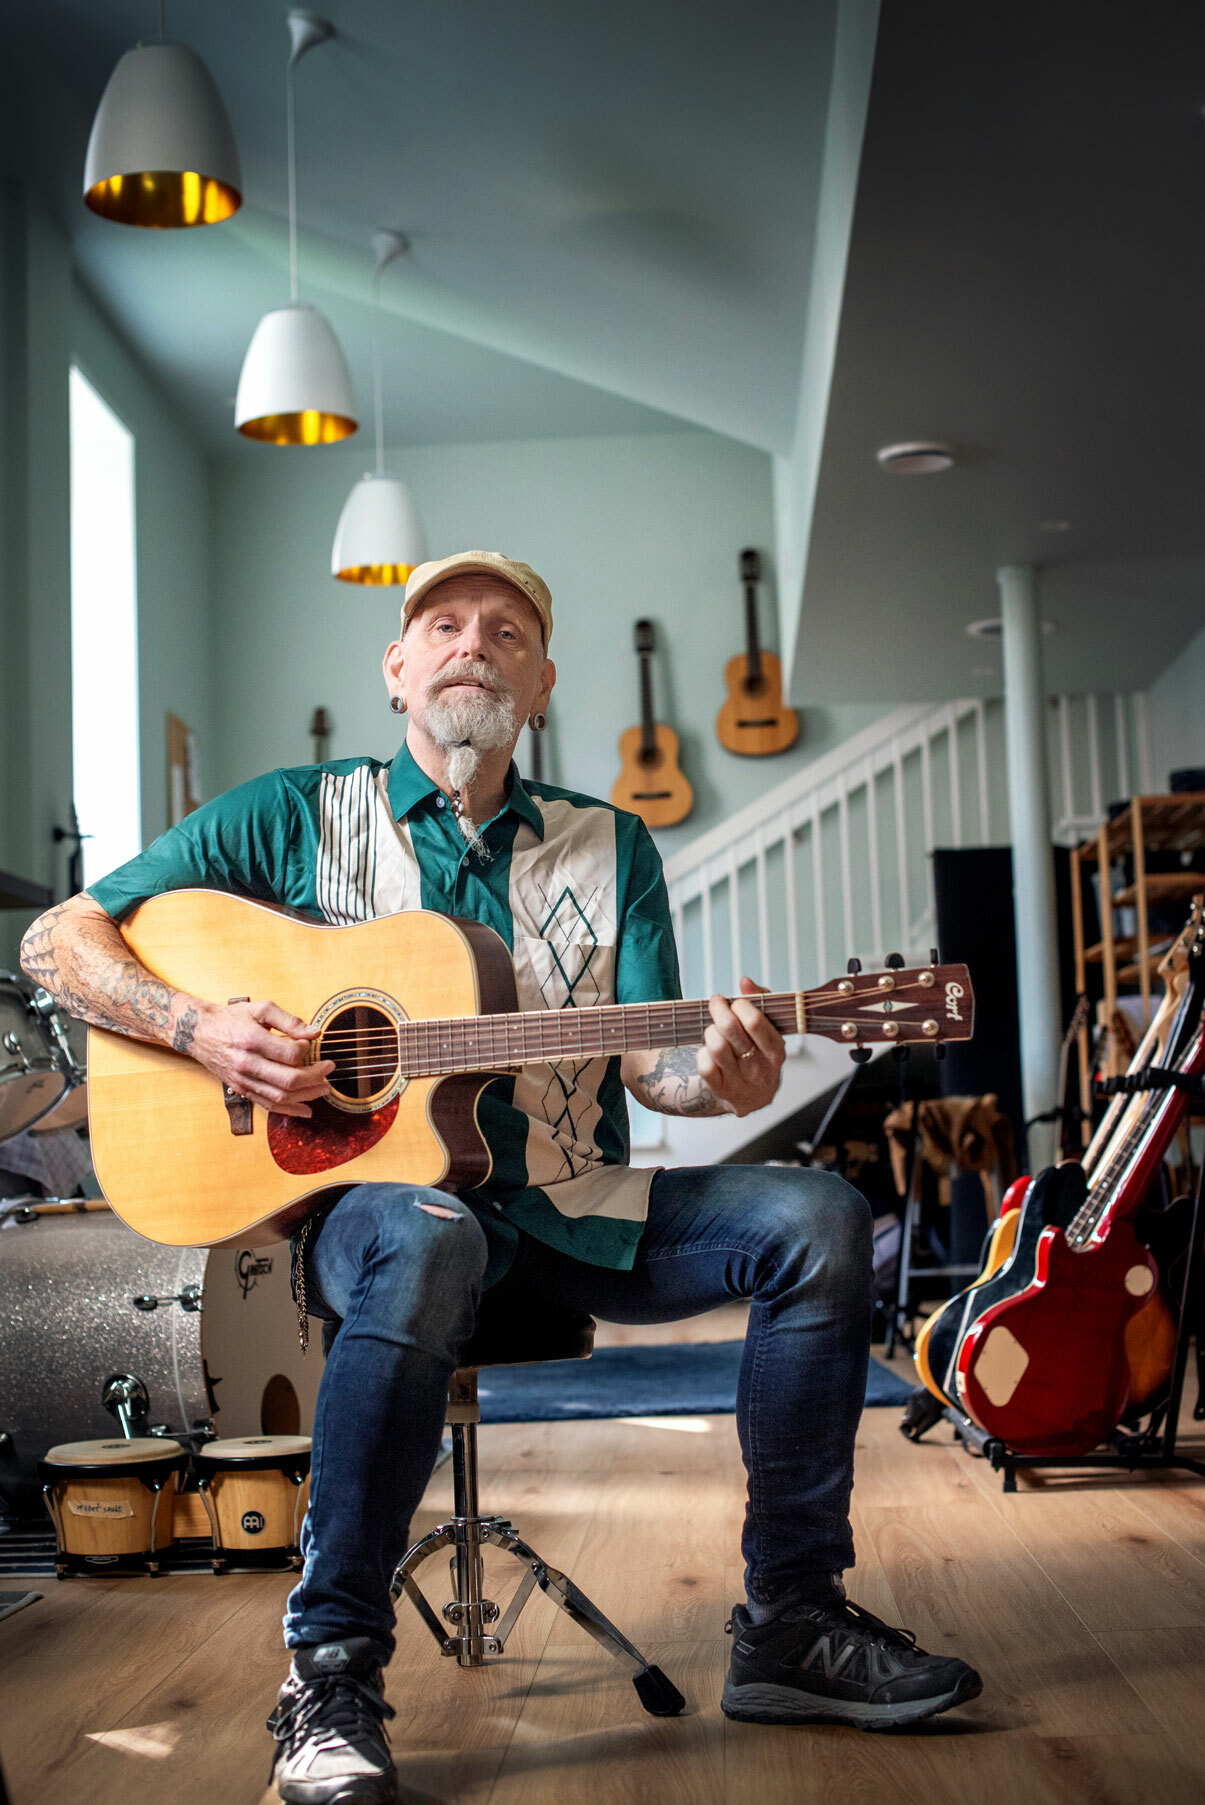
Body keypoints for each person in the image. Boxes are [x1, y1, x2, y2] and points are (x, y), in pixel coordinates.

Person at [21, 550, 980, 1803]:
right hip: (374, 1214)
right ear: (398, 668)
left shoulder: (609, 843)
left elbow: (659, 1070)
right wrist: (197, 1026)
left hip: (578, 1205)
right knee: (430, 1233)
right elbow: (59, 937)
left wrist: (728, 1082)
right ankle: (330, 1672)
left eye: (507, 629)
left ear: (535, 683)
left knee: (820, 1213)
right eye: (442, 623)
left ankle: (791, 1620)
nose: (472, 641)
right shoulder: (293, 814)